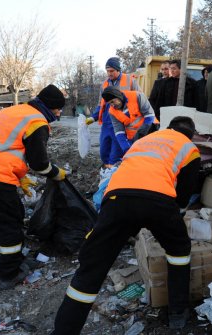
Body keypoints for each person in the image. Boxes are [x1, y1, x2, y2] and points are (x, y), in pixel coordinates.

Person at [52, 117, 200, 334]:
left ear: (169, 128)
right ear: (191, 134)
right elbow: (184, 194)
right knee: (179, 252)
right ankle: (177, 313)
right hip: (159, 202)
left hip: (116, 199)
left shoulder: (145, 140)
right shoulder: (189, 148)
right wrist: (171, 222)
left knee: (92, 268)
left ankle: (64, 331)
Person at [0, 84, 67, 289]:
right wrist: (57, 173)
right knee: (10, 223)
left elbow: (5, 147)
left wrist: (19, 176)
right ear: (51, 107)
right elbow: (39, 163)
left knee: (14, 215)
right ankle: (9, 273)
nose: (59, 113)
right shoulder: (37, 123)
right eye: (59, 109)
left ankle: (15, 260)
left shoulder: (14, 111)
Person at [87, 57, 140, 167]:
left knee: (117, 152)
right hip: (107, 122)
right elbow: (100, 104)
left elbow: (139, 99)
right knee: (104, 151)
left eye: (111, 71)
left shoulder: (130, 80)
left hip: (122, 122)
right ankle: (107, 171)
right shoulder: (104, 84)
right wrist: (93, 117)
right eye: (107, 71)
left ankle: (114, 174)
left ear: (118, 70)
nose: (109, 73)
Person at [100, 86, 156, 158]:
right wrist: (126, 148)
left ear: (118, 96)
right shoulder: (112, 112)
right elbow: (119, 132)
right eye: (110, 103)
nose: (112, 105)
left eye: (112, 101)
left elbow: (150, 116)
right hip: (133, 139)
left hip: (151, 132)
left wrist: (141, 136)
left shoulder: (137, 96)